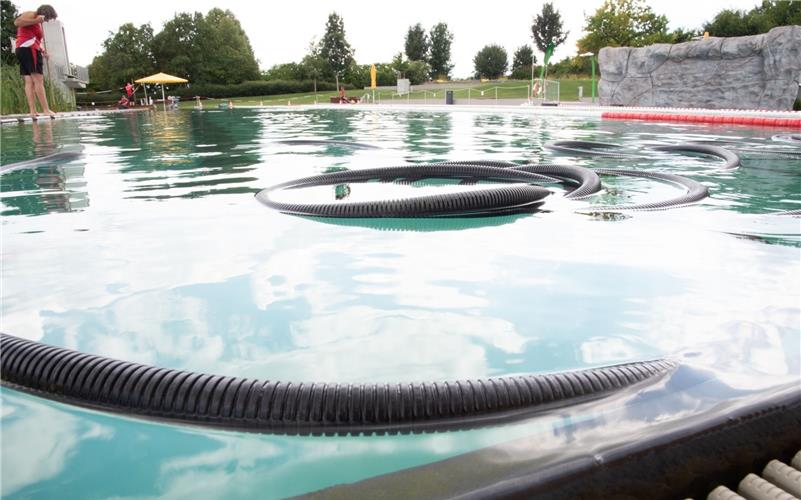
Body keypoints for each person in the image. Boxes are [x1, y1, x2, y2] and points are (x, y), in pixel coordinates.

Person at [14, 5, 58, 120]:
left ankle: (33, 111)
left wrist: (43, 51)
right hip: (29, 49)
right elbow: (17, 22)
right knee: (38, 80)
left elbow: (33, 38)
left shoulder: (35, 21)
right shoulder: (32, 14)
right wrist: (37, 20)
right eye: (48, 18)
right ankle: (46, 110)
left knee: (29, 81)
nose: (47, 21)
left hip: (23, 48)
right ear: (44, 14)